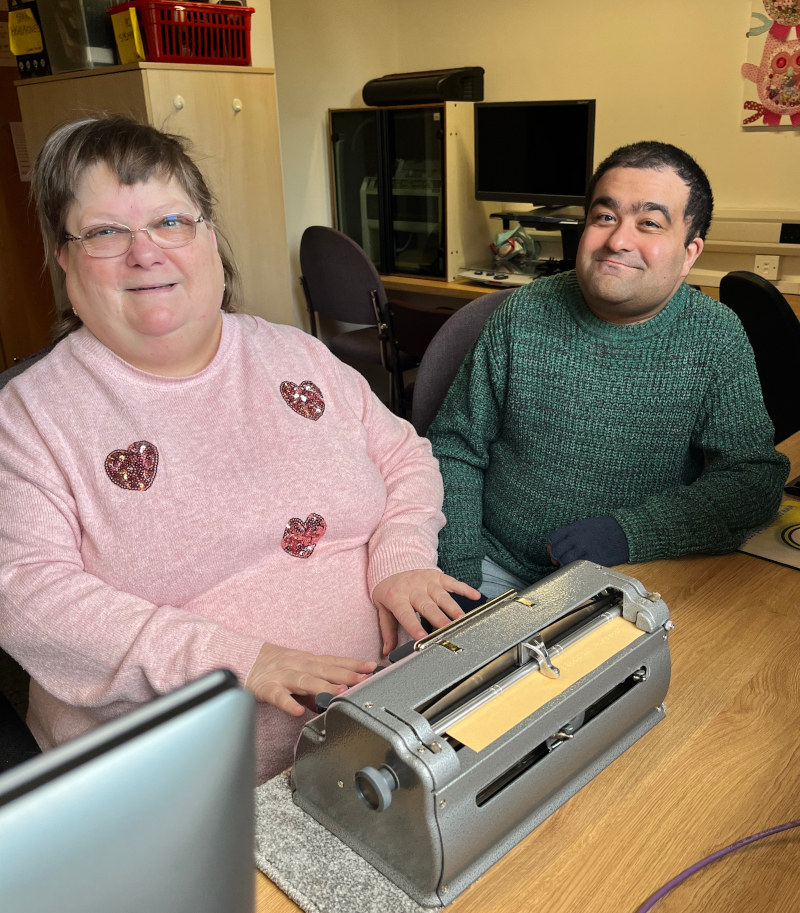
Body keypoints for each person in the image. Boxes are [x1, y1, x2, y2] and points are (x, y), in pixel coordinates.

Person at [0, 115, 479, 781]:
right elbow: (24, 595)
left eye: (171, 222)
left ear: (208, 236)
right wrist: (237, 656)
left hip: (378, 739)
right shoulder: (30, 414)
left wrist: (399, 557)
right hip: (182, 789)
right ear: (65, 257)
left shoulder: (294, 353)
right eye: (107, 231)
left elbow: (404, 455)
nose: (146, 252)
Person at [428, 141, 790, 598]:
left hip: (628, 576)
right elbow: (455, 448)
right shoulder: (524, 311)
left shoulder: (715, 336)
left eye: (650, 223)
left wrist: (630, 532)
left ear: (689, 252)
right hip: (493, 565)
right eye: (605, 217)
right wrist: (458, 570)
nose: (618, 239)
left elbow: (752, 478)